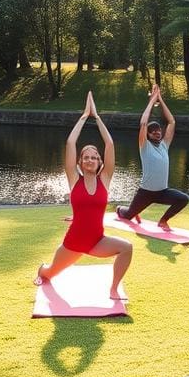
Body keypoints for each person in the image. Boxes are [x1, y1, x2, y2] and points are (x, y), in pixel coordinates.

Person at [35, 92, 133, 300]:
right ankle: (41, 270)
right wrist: (83, 116)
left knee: (127, 248)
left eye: (94, 157)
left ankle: (114, 289)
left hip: (97, 241)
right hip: (74, 242)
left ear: (99, 162)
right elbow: (71, 143)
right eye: (85, 157)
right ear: (79, 162)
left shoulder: (105, 179)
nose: (89, 160)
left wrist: (97, 117)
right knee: (49, 273)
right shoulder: (74, 178)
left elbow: (110, 145)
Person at [116, 84, 189, 231]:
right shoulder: (145, 146)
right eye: (153, 131)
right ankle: (121, 208)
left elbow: (172, 122)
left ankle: (163, 221)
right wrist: (151, 102)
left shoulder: (164, 146)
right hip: (145, 193)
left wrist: (160, 100)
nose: (157, 133)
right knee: (127, 215)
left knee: (183, 199)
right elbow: (143, 123)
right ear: (148, 135)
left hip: (162, 192)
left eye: (158, 130)